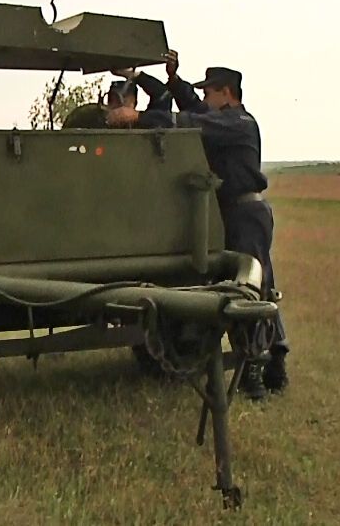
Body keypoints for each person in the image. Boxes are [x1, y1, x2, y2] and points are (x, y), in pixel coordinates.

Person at [108, 55, 288, 399]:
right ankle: (274, 363)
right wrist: (153, 77)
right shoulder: (223, 117)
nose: (204, 97)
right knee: (260, 282)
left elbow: (186, 119)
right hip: (235, 214)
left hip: (245, 214)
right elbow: (190, 104)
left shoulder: (238, 123)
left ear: (227, 93)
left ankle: (256, 372)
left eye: (210, 92)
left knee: (249, 291)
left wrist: (139, 117)